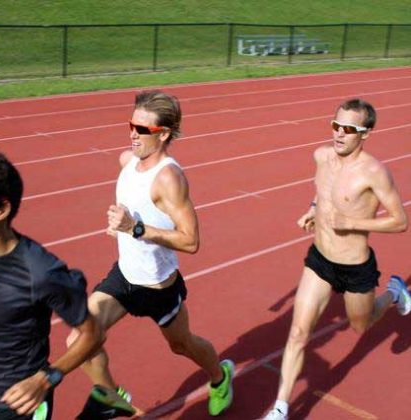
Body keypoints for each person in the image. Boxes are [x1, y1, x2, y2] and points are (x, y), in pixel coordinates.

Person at [68, 90, 235, 418]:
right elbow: (133, 208)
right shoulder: (127, 162)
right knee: (80, 339)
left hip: (159, 287)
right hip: (125, 277)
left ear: (164, 134)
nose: (133, 134)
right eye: (131, 125)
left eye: (142, 129)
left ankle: (220, 377)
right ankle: (113, 398)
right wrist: (119, 224)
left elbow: (191, 241)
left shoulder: (170, 178)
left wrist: (135, 228)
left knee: (182, 345)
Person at [264, 98, 410, 420]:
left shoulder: (374, 172)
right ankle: (280, 408)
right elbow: (323, 191)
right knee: (298, 333)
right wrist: (313, 210)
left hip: (355, 267)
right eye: (336, 125)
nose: (339, 133)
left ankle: (394, 292)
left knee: (361, 325)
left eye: (349, 129)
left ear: (365, 133)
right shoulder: (321, 156)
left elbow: (400, 221)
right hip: (320, 261)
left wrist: (352, 222)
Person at [0, 149, 103, 420]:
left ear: (1, 210)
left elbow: (93, 335)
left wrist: (46, 379)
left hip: (25, 403)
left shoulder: (40, 272)